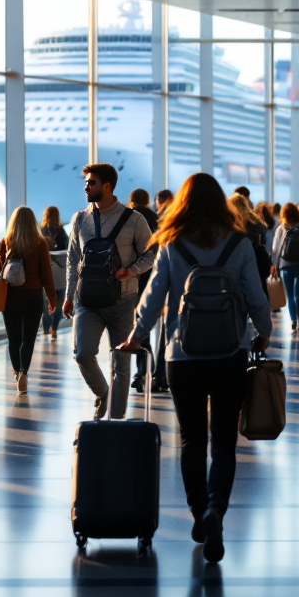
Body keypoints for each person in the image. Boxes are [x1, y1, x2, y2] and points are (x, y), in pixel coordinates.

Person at [119, 173, 272, 564]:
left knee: (191, 439)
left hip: (182, 355)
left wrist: (136, 336)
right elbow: (257, 297)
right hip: (230, 352)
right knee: (224, 440)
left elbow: (152, 298)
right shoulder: (239, 243)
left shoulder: (172, 242)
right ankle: (216, 508)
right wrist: (264, 333)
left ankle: (199, 511)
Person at [64, 163, 155, 420]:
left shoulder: (134, 220)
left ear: (107, 186)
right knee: (83, 354)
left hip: (122, 302)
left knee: (121, 364)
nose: (86, 187)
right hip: (86, 302)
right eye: (85, 182)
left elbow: (152, 254)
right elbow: (73, 259)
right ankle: (104, 394)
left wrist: (132, 270)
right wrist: (68, 295)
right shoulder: (79, 219)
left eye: (91, 182)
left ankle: (116, 421)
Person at [0, 206, 57, 394]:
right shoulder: (40, 243)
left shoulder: (6, 242)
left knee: (14, 338)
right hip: (33, 296)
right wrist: (51, 297)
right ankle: (24, 373)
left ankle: (17, 373)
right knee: (28, 339)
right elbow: (46, 274)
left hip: (10, 297)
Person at [127, 188, 160, 393]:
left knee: (129, 324)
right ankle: (145, 370)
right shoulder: (156, 219)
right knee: (143, 321)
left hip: (129, 276)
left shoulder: (128, 217)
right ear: (147, 200)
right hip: (151, 277)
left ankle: (137, 371)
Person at [270, 202, 299, 331]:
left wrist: (274, 264)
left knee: (290, 295)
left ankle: (293, 320)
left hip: (286, 264)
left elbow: (276, 249)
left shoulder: (282, 228)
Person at [228, 192, 272, 293]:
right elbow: (266, 239)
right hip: (259, 262)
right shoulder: (256, 221)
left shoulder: (230, 224)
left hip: (236, 263)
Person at [40, 205, 69, 340]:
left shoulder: (41, 231)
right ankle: (54, 330)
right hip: (61, 271)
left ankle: (45, 330)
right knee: (59, 302)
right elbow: (67, 249)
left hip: (46, 269)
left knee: (46, 302)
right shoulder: (61, 231)